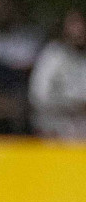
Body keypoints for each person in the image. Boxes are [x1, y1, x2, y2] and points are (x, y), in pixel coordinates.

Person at [30, 8, 86, 140]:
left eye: (82, 24)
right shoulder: (52, 55)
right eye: (73, 24)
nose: (79, 30)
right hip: (53, 130)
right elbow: (38, 96)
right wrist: (74, 105)